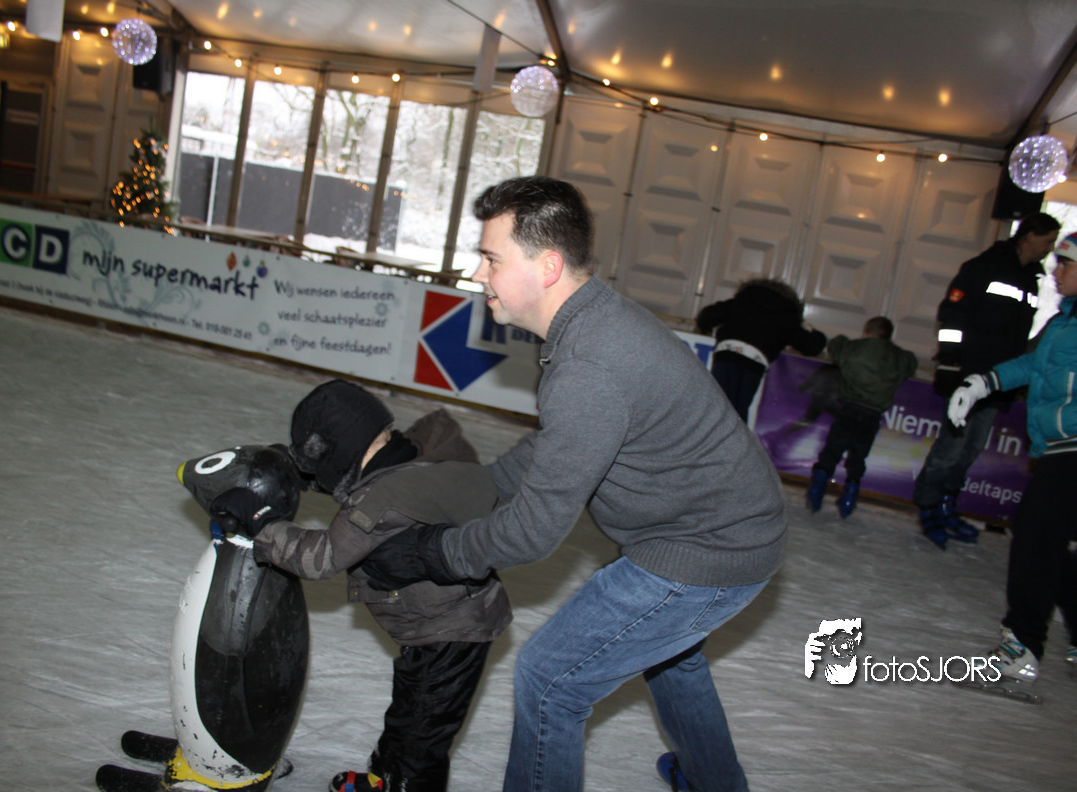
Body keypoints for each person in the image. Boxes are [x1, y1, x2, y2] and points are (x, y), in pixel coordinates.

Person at [359, 176, 787, 792]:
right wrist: (473, 488)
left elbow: (533, 532)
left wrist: (431, 552)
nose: (478, 275)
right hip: (725, 527)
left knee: (549, 681)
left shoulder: (587, 364)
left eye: (491, 259)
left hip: (707, 549)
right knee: (672, 659)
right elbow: (556, 446)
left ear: (549, 266)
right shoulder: (594, 323)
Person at [210, 379, 512, 792]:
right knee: (407, 717)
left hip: (451, 633)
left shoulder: (381, 501)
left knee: (420, 741)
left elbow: (321, 557)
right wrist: (303, 470)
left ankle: (404, 783)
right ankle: (383, 778)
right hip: (439, 623)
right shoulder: (414, 454)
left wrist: (262, 524)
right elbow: (361, 478)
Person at [947, 226, 1077, 691]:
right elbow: (1031, 363)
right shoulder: (1067, 319)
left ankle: (1020, 649)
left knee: (1035, 543)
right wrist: (982, 383)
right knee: (1044, 543)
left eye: (1067, 265)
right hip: (1065, 448)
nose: (1056, 272)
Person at [913, 212, 1061, 548]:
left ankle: (947, 503)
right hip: (967, 375)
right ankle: (928, 505)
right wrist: (950, 363)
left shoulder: (1031, 279)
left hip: (997, 381)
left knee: (972, 449)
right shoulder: (983, 267)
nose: (1050, 248)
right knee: (951, 447)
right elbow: (951, 316)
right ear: (1029, 236)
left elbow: (1018, 336)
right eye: (1048, 240)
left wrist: (1016, 379)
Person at [806, 316, 918, 518]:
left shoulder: (854, 349)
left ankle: (817, 487)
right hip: (873, 413)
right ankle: (849, 497)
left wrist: (842, 339)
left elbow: (836, 346)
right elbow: (911, 362)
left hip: (849, 408)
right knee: (858, 455)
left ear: (866, 332)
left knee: (833, 449)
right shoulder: (898, 357)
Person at [695, 277, 827, 426]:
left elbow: (706, 317)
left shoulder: (741, 301)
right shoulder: (786, 316)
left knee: (717, 404)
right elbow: (812, 346)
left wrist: (708, 328)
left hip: (727, 353)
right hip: (755, 361)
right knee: (738, 411)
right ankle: (732, 439)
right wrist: (814, 332)